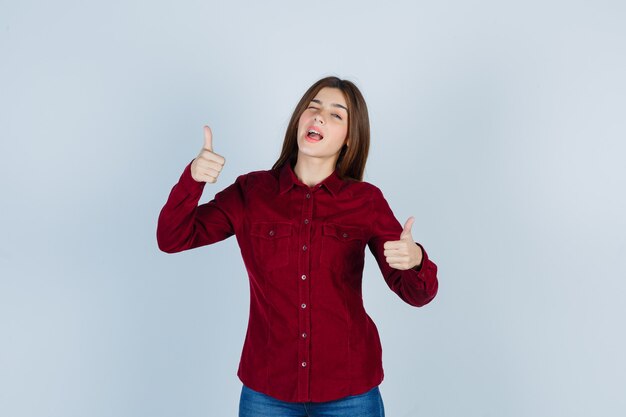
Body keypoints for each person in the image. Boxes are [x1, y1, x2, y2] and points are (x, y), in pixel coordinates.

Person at [157, 76, 438, 417]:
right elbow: (172, 237)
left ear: (349, 139)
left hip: (349, 391)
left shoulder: (366, 202)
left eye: (336, 115)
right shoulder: (252, 192)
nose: (319, 117)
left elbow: (417, 294)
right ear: (299, 120)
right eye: (313, 107)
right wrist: (194, 178)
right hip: (268, 391)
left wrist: (416, 259)